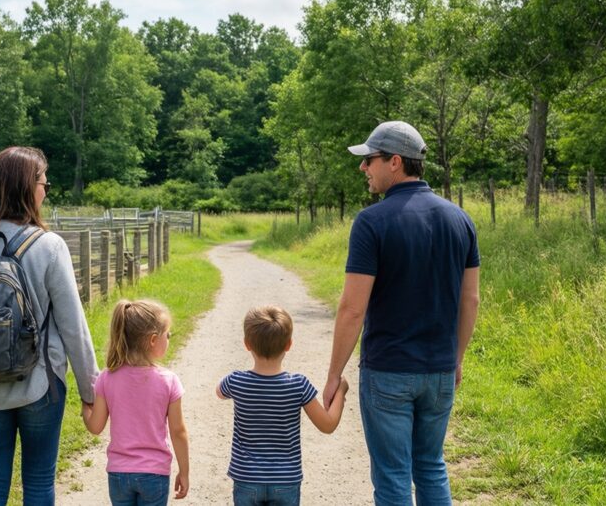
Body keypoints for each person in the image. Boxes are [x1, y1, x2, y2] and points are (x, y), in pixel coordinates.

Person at [323, 121, 481, 506]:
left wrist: (333, 375)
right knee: (431, 467)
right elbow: (470, 300)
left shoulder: (372, 221)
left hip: (389, 372)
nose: (364, 168)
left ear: (395, 162)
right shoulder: (460, 220)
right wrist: (455, 359)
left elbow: (351, 309)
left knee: (393, 477)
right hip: (440, 371)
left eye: (370, 160)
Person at [0, 146, 98, 505]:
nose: (46, 189)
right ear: (27, 187)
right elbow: (74, 327)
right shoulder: (48, 246)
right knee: (39, 483)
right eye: (43, 182)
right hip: (40, 385)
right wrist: (91, 389)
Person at [217, 305, 350, 506]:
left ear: (247, 344)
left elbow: (219, 392)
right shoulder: (298, 385)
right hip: (286, 480)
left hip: (247, 478)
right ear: (289, 344)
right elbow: (328, 425)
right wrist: (340, 391)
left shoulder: (236, 381)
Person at [82, 299, 191, 505]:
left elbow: (96, 426)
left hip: (119, 474)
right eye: (167, 334)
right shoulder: (168, 380)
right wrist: (184, 471)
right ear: (152, 340)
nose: (169, 338)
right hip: (154, 474)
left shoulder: (107, 378)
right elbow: (178, 431)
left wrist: (85, 409)